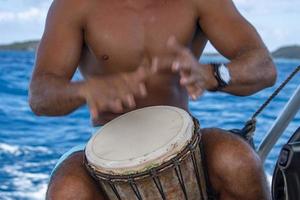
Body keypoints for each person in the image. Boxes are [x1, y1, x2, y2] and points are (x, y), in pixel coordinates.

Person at [29, 0, 277, 199]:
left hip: (185, 138)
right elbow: (40, 94)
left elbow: (263, 67)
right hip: (105, 146)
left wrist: (214, 74)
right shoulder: (73, 5)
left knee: (239, 161)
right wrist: (85, 90)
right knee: (67, 191)